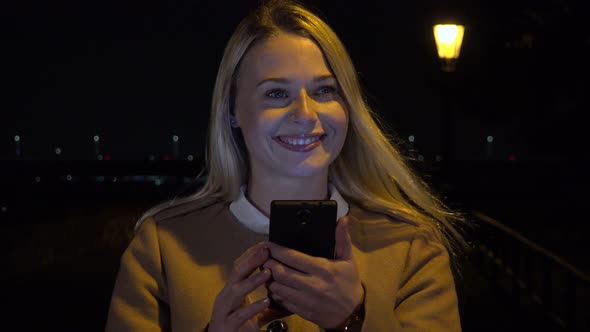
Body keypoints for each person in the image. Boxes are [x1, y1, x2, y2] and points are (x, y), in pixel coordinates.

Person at [105, 0, 469, 331]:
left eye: (325, 90)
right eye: (276, 93)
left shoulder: (410, 247)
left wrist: (355, 319)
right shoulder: (163, 247)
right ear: (232, 111)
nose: (306, 114)